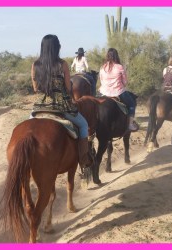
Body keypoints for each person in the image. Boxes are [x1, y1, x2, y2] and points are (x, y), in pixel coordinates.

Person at [30, 34, 92, 169]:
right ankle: (84, 159)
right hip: (60, 106)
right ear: (57, 47)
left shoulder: (35, 65)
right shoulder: (62, 64)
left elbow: (35, 88)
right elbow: (69, 88)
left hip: (39, 106)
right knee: (83, 125)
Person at [98, 48, 138, 131]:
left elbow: (101, 81)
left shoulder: (102, 67)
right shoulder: (119, 67)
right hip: (118, 92)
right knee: (131, 104)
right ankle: (130, 124)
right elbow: (125, 81)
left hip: (103, 92)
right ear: (116, 56)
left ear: (107, 56)